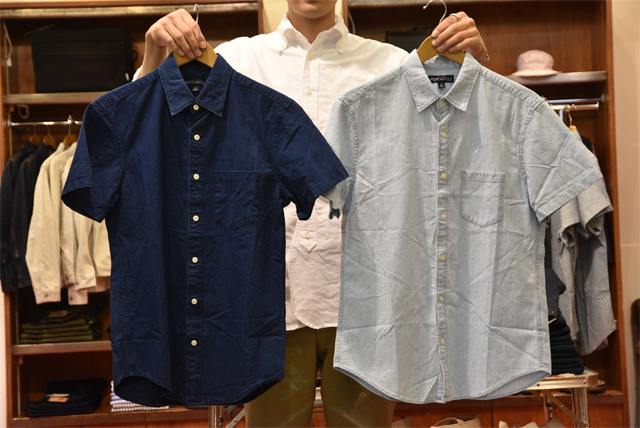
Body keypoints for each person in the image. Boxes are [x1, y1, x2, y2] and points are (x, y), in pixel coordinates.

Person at [138, 1, 488, 426]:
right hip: (263, 299)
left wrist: (475, 67)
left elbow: (460, 150)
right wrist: (154, 53)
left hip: (368, 300)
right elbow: (153, 129)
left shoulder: (394, 64)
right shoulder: (234, 60)